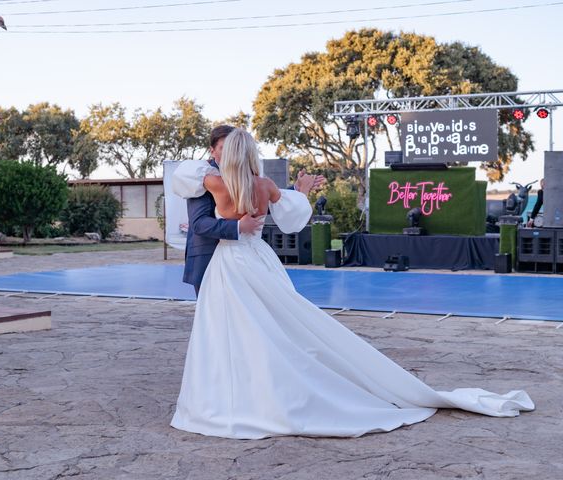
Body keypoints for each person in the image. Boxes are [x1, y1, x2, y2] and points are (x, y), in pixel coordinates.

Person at [170, 128, 533, 440]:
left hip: (228, 265)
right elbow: (295, 212)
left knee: (229, 330)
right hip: (258, 259)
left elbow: (184, 179)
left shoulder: (213, 182)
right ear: (251, 154)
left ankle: (231, 397)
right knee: (272, 327)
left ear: (223, 154)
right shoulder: (264, 185)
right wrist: (298, 190)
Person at [174, 124, 324, 296]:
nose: (228, 153)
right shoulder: (201, 177)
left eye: (231, 148)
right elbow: (199, 224)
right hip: (207, 259)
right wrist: (238, 227)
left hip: (244, 257)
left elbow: (259, 205)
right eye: (223, 148)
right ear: (212, 150)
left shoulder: (212, 182)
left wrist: (296, 189)